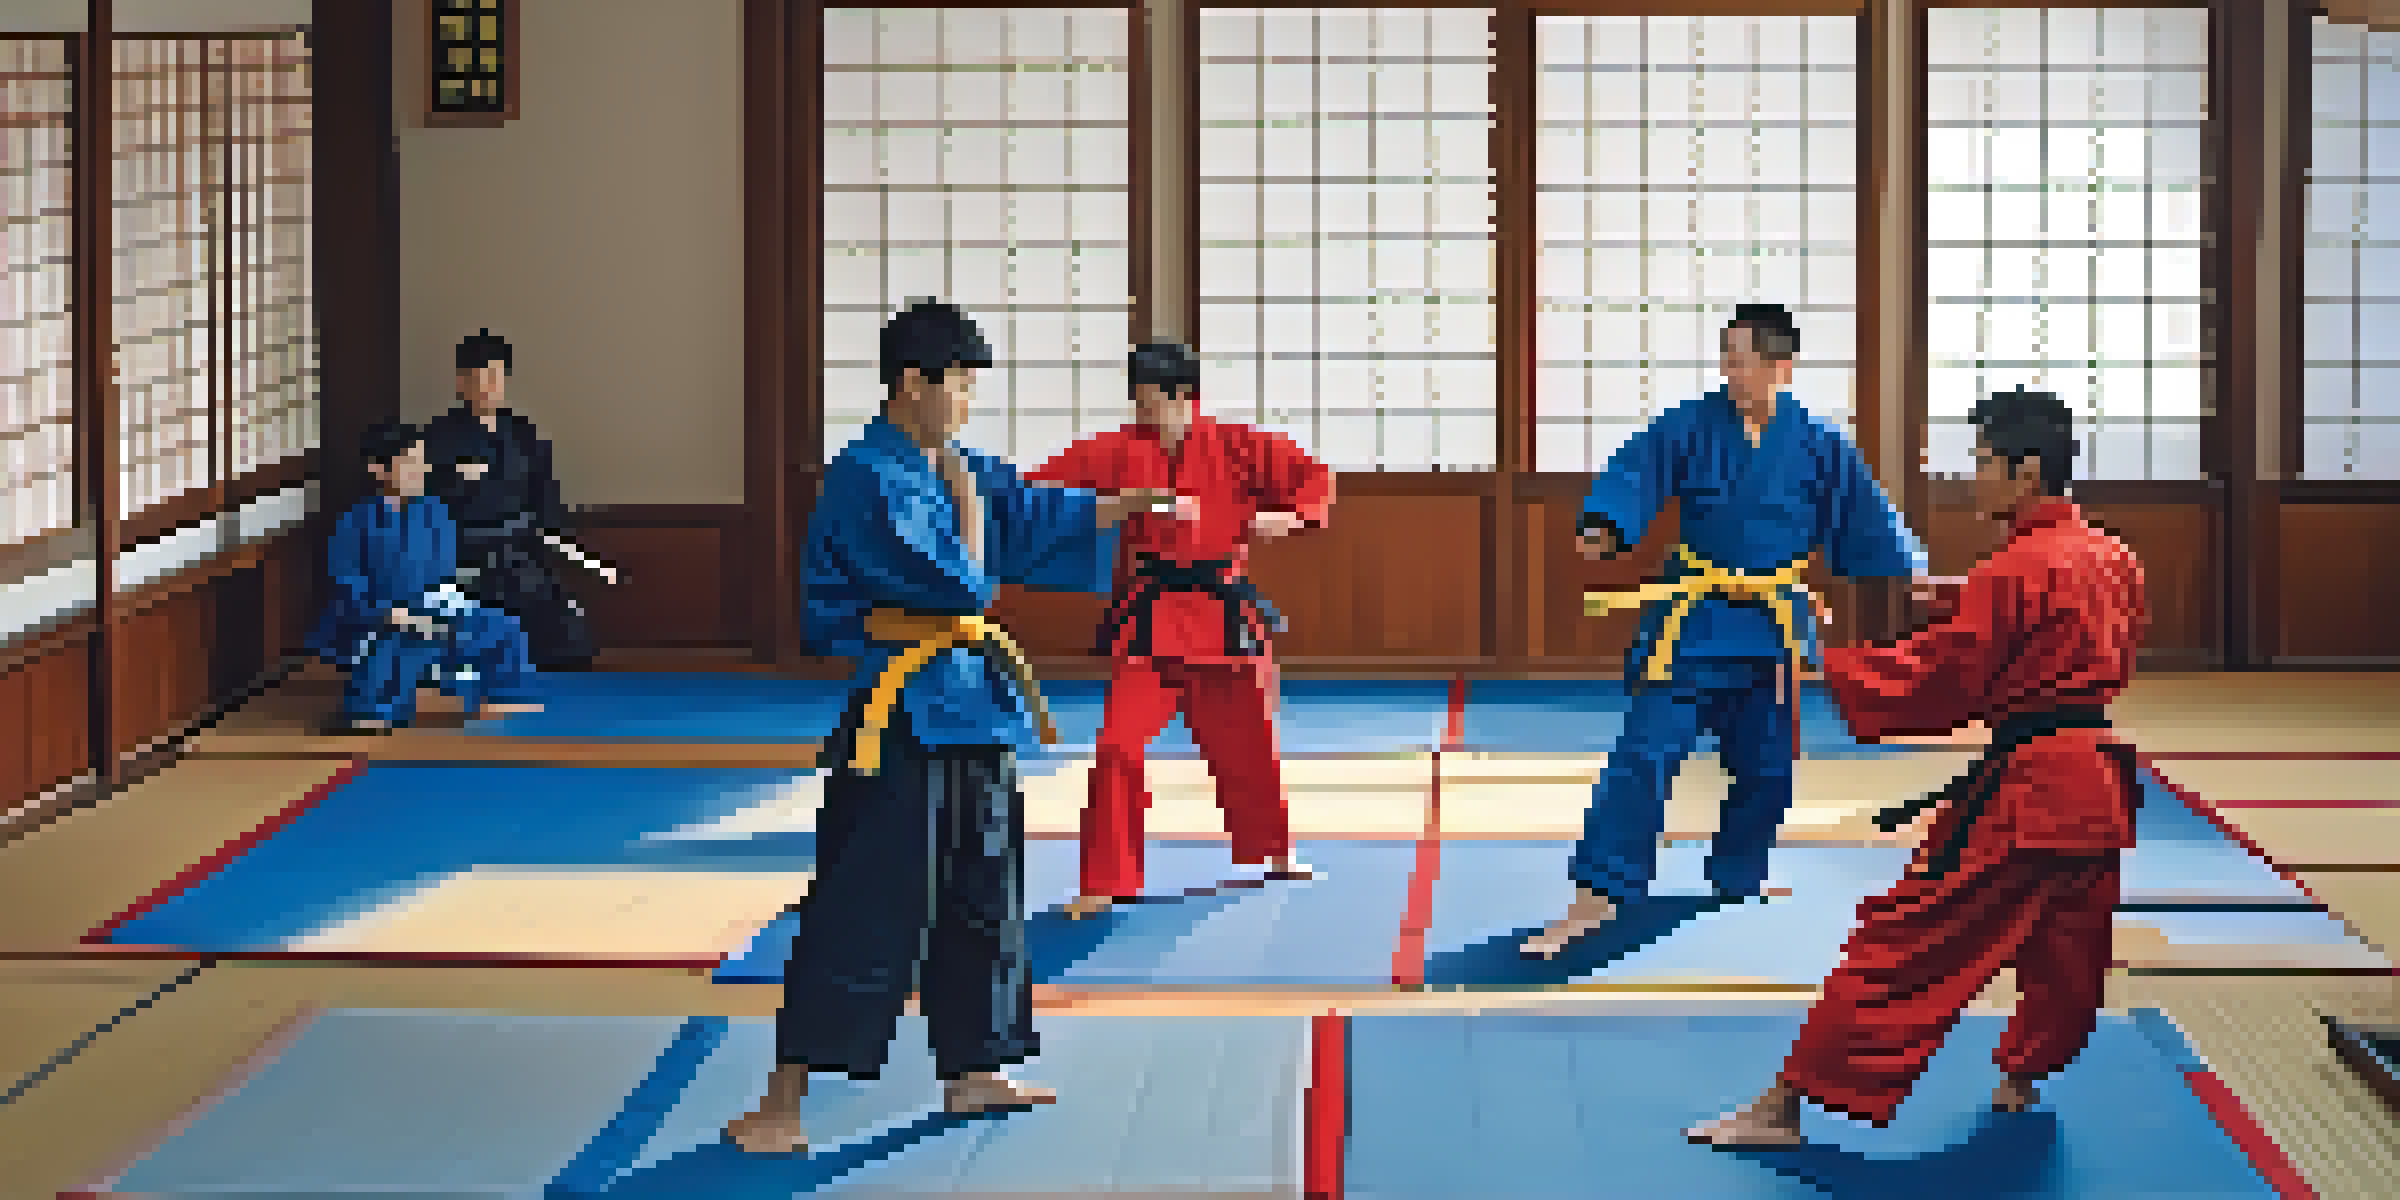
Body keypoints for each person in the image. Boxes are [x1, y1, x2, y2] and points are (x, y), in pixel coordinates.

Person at [722, 300, 1176, 1155]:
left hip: (971, 705)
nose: (968, 401)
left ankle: (975, 1068)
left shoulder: (950, 463)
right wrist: (970, 501)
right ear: (912, 382)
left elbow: (1033, 513)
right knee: (863, 900)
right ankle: (781, 1100)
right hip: (898, 716)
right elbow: (957, 581)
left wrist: (1125, 504)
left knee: (984, 895)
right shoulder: (866, 473)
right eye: (960, 384)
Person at [1688, 385, 2146, 1146]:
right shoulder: (2112, 558)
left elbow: (1949, 675)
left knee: (1902, 940)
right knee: (2069, 947)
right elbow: (2042, 629)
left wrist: (1827, 664)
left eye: (1984, 462)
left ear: (2025, 472)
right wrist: (1952, 605)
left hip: (2029, 796)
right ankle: (2021, 1079)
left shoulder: (2014, 570)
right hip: (2099, 790)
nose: (1973, 476)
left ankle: (1781, 1109)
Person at [1523, 304, 1928, 959]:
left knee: (1767, 769)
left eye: (1740, 359)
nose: (1729, 371)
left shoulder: (1821, 444)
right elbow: (1637, 472)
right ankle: (1596, 898)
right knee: (1643, 760)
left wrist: (1908, 570)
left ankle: (1739, 876)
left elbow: (1867, 515)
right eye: (1725, 357)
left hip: (1769, 629)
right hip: (1695, 625)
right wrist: (1607, 525)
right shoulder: (1689, 425)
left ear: (1779, 366)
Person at [1026, 342, 1334, 919]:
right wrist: (1112, 507)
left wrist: (1290, 517)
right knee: (1117, 745)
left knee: (1248, 742)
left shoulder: (1242, 446)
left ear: (1181, 396)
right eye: (1137, 399)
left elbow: (1313, 478)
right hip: (1152, 618)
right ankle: (1105, 875)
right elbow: (1038, 494)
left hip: (1223, 617)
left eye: (1150, 399)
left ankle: (1272, 849)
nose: (1142, 411)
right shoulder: (1114, 450)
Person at [307, 422, 546, 734]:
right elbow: (346, 584)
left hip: (433, 609)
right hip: (375, 618)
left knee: (502, 626)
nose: (420, 470)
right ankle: (371, 711)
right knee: (400, 641)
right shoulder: (356, 522)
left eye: (422, 461)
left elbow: (443, 575)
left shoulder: (435, 512)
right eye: (410, 462)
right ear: (378, 469)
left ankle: (504, 696)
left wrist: (444, 607)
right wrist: (387, 612)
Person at [422, 329, 602, 671]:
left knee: (568, 642)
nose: (490, 386)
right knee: (470, 631)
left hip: (519, 548)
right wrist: (455, 479)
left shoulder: (524, 432)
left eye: (497, 376)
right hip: (463, 552)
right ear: (461, 383)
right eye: (480, 377)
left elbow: (545, 492)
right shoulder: (437, 435)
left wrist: (553, 536)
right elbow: (424, 499)